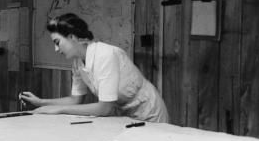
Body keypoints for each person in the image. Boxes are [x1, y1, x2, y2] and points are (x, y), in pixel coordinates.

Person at [20, 13, 169, 122]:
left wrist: (58, 109)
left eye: (57, 42)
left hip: (147, 112)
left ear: (72, 37)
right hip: (124, 116)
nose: (56, 49)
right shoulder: (78, 62)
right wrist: (41, 102)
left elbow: (105, 108)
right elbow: (75, 100)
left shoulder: (105, 54)